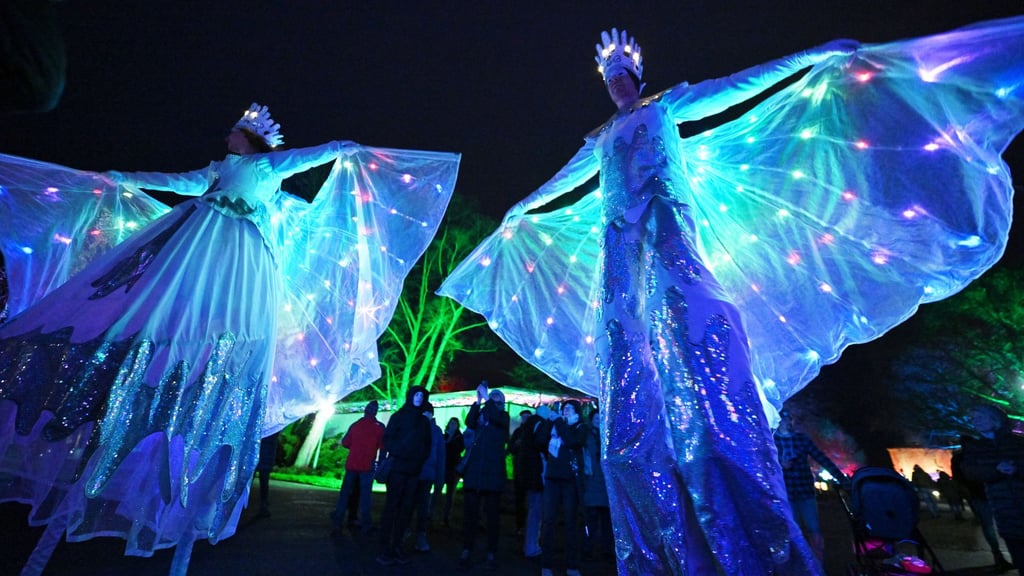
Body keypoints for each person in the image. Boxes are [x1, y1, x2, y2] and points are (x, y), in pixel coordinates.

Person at [440, 21, 1024, 573]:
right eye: (609, 77)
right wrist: (522, 210)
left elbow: (737, 88)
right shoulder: (599, 139)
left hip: (667, 222)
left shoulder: (666, 107)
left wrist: (808, 60)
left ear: (637, 78)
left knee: (687, 312)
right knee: (626, 336)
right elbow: (565, 181)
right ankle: (654, 505)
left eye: (624, 73)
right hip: (620, 240)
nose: (617, 82)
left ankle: (726, 478)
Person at [0, 102, 459, 575]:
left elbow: (302, 159)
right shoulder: (221, 170)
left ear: (248, 137)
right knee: (159, 301)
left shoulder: (262, 166)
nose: (227, 138)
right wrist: (127, 177)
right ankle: (143, 364)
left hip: (238, 250)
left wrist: (341, 147)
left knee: (224, 328)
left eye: (234, 132)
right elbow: (178, 181)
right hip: (198, 238)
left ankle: (195, 388)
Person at [774, 408, 848, 560]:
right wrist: (780, 465)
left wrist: (842, 479)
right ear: (779, 421)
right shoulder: (773, 441)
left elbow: (822, 458)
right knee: (792, 531)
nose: (787, 422)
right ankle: (799, 564)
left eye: (789, 419)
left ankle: (818, 563)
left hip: (805, 492)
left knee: (813, 529)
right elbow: (766, 464)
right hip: (786, 493)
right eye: (784, 419)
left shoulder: (802, 439)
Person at [961, 404, 1024, 570]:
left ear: (994, 418)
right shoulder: (975, 448)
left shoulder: (1018, 443)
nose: (976, 421)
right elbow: (971, 472)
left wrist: (1017, 468)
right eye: (973, 419)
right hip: (1006, 515)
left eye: (980, 417)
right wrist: (996, 470)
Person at [376, 385, 432, 566]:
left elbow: (427, 445)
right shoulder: (398, 417)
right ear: (410, 396)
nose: (419, 398)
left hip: (413, 472)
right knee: (392, 507)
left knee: (406, 510)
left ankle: (398, 545)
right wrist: (402, 451)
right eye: (416, 395)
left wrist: (418, 459)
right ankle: (385, 547)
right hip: (398, 470)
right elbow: (387, 439)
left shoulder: (424, 422)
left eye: (421, 396)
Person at [458, 383, 510, 570]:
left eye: (496, 398)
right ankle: (467, 548)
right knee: (470, 515)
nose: (493, 400)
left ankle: (491, 551)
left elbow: (497, 418)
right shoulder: (483, 414)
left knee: (492, 516)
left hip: (493, 474)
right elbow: (470, 422)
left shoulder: (503, 417)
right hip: (475, 472)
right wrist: (477, 401)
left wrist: (487, 399)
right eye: (492, 397)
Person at [537, 400, 587, 576]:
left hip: (569, 481)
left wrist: (558, 421)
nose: (565, 411)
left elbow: (572, 441)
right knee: (548, 521)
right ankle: (546, 564)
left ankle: (572, 565)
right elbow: (540, 440)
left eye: (569, 408)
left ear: (577, 412)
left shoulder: (580, 427)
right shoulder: (555, 425)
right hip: (552, 478)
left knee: (570, 522)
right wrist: (549, 421)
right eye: (563, 408)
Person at [952, 443, 1013, 571]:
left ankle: (999, 556)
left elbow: (959, 478)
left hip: (979, 495)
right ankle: (1004, 556)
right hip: (988, 493)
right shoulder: (984, 452)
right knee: (1003, 525)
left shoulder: (960, 458)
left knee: (989, 526)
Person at [331, 400, 385, 536]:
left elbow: (345, 442)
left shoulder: (356, 425)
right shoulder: (379, 427)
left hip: (352, 464)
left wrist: (355, 448)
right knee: (365, 496)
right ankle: (365, 524)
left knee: (345, 494)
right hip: (367, 466)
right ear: (376, 412)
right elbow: (383, 447)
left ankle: (338, 522)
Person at [511, 407, 546, 558]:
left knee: (532, 508)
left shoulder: (524, 432)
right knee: (535, 510)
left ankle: (530, 542)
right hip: (534, 476)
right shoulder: (537, 429)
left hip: (525, 475)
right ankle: (531, 545)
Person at [412, 401, 445, 552]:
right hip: (424, 473)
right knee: (421, 506)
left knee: (414, 504)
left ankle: (412, 533)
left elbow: (440, 456)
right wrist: (439, 478)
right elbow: (441, 456)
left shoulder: (421, 428)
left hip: (418, 473)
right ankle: (419, 536)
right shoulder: (436, 431)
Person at [580, 408, 611, 563]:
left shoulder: (608, 435)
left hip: (605, 482)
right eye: (595, 418)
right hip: (592, 479)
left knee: (606, 521)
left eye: (600, 418)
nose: (598, 421)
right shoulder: (587, 435)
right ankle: (588, 547)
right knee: (590, 519)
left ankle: (607, 550)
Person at [508, 408, 534, 536]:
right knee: (520, 499)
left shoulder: (535, 431)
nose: (525, 419)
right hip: (519, 469)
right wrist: (516, 445)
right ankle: (520, 526)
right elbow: (510, 448)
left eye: (527, 416)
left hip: (531, 471)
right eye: (523, 417)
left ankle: (530, 527)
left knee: (531, 500)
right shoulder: (518, 432)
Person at [442, 416, 465, 528]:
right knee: (438, 491)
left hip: (453, 468)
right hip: (444, 467)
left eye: (455, 423)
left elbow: (459, 449)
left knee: (450, 495)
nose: (453, 425)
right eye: (451, 423)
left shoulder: (459, 437)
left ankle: (447, 517)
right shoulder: (444, 435)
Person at [255, 431, 281, 518]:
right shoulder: (274, 432)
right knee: (264, 484)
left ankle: (263, 504)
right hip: (264, 459)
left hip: (259, 458)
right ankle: (263, 504)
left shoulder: (264, 431)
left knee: (262, 483)